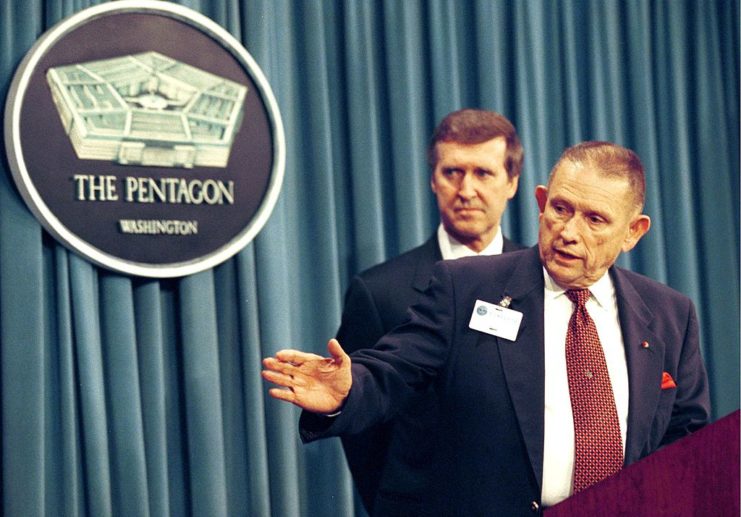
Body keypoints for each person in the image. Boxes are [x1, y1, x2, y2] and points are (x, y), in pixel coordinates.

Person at [262, 142, 710, 516]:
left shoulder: (671, 314)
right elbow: (394, 369)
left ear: (633, 232)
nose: (569, 231)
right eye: (560, 208)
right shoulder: (467, 287)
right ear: (539, 202)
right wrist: (347, 390)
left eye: (595, 220)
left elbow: (685, 437)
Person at [336, 109, 525, 514]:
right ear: (432, 180)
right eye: (453, 172)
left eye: (484, 173)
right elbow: (363, 431)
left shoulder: (542, 283)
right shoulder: (379, 291)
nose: (467, 190)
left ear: (512, 183)